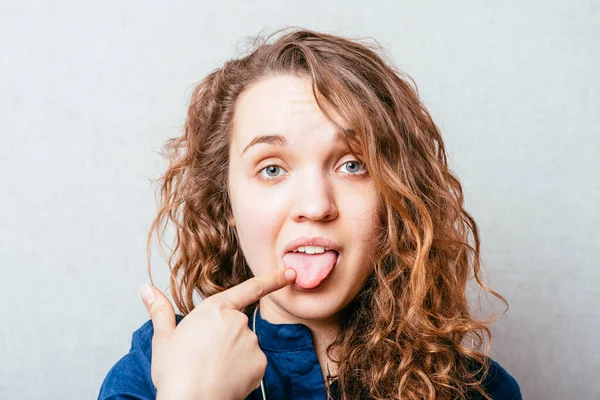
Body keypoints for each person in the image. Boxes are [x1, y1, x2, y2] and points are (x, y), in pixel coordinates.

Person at [98, 27, 522, 400]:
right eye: (272, 169)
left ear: (396, 196)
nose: (315, 206)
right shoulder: (154, 374)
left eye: (352, 165)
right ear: (225, 201)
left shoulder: (479, 390)